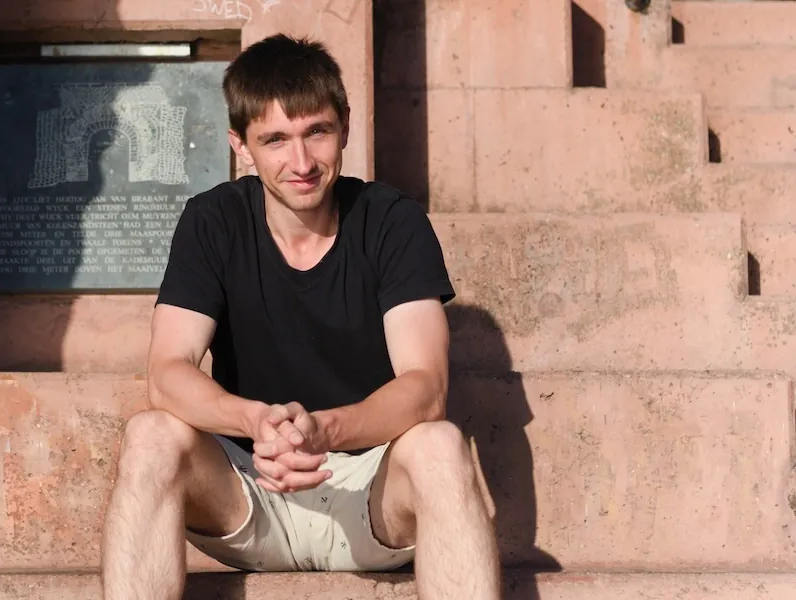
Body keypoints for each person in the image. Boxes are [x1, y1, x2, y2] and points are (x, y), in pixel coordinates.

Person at [100, 33, 501, 600]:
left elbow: (426, 388)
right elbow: (167, 372)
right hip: (248, 492)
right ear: (242, 145)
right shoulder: (212, 221)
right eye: (276, 140)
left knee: (438, 445)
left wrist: (324, 430)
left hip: (371, 497)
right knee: (149, 436)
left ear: (345, 125)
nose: (302, 162)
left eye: (317, 131)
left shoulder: (392, 221)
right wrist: (257, 422)